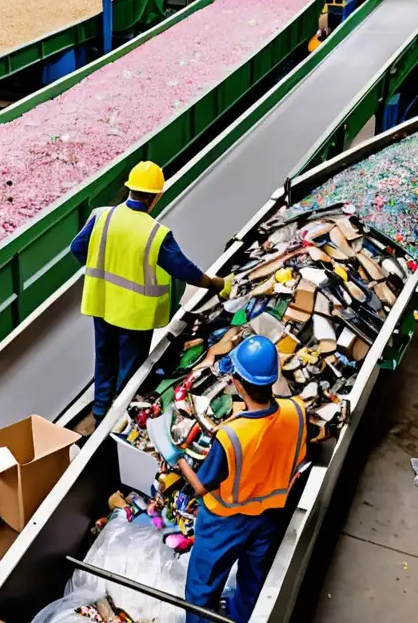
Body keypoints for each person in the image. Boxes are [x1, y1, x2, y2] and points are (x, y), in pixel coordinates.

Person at [160, 336, 309, 623]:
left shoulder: (231, 436)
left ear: (238, 384)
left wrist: (174, 455)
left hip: (224, 523)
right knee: (254, 579)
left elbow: (201, 486)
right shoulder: (296, 411)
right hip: (269, 516)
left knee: (202, 591)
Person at [72, 161, 232, 424]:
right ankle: (119, 419)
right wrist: (216, 284)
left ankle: (100, 411)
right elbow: (186, 271)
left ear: (130, 190)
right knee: (129, 369)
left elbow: (78, 249)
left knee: (104, 358)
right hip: (135, 315)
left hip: (101, 304)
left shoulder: (102, 216)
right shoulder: (156, 234)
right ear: (156, 197)